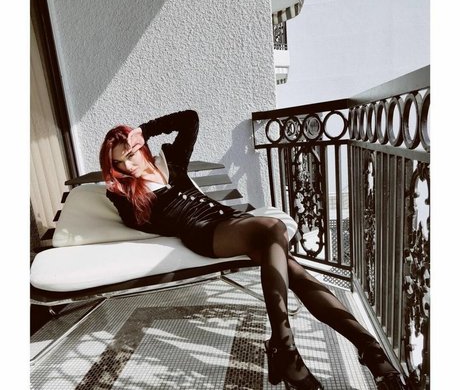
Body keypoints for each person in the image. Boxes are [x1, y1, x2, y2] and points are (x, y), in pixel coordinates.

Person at [99, 110, 405, 390]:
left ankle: (369, 351)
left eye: (130, 154)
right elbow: (143, 223)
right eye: (119, 163)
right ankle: (286, 346)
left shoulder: (171, 159)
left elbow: (190, 119)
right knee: (273, 227)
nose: (128, 165)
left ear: (140, 146)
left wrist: (146, 129)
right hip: (204, 233)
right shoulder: (124, 194)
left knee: (297, 274)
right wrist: (124, 190)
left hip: (232, 221)